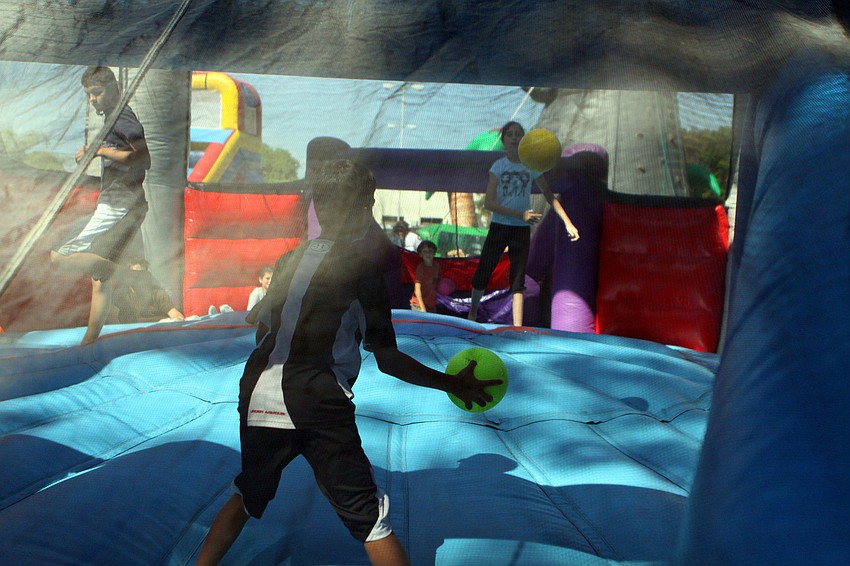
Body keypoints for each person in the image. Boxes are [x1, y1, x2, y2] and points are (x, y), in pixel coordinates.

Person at [196, 160, 502, 566]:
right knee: (370, 518)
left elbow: (262, 329)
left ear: (317, 208)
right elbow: (388, 359)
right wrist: (452, 384)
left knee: (249, 492)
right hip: (317, 401)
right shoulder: (365, 271)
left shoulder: (288, 260)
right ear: (363, 209)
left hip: (257, 393)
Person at [49, 66, 151, 345]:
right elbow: (120, 152)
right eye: (88, 95)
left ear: (114, 88)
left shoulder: (123, 117)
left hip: (121, 206)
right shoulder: (111, 119)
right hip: (123, 205)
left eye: (97, 92)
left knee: (58, 255)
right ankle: (89, 342)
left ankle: (117, 271)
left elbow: (144, 159)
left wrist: (100, 151)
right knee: (99, 280)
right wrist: (92, 151)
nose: (93, 99)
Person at [467, 121, 579, 326]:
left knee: (518, 280)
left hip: (520, 230)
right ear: (503, 140)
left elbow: (549, 195)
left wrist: (568, 222)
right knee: (484, 271)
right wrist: (520, 214)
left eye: (519, 134)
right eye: (510, 134)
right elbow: (489, 203)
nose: (514, 137)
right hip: (501, 225)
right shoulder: (499, 166)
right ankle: (472, 314)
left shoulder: (531, 166)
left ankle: (517, 327)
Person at [112, 257, 184, 323]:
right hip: (133, 333)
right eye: (136, 274)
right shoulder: (122, 295)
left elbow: (175, 314)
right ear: (128, 276)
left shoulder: (157, 293)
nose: (141, 277)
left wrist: (178, 319)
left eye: (144, 273)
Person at [410, 240, 440, 313]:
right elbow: (417, 290)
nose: (428, 254)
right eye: (425, 252)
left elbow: (438, 283)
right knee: (421, 323)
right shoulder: (420, 268)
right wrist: (422, 308)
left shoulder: (437, 266)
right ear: (420, 254)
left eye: (430, 251)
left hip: (431, 303)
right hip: (418, 303)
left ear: (434, 253)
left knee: (433, 322)